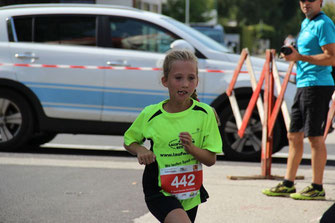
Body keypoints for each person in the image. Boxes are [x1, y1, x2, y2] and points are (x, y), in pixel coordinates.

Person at [123, 50, 222, 222]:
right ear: (165, 81)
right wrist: (140, 150)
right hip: (158, 188)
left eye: (191, 78)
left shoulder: (205, 114)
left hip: (189, 191)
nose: (185, 84)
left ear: (197, 81)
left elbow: (210, 160)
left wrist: (191, 148)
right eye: (178, 78)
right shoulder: (151, 114)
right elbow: (129, 141)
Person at [262, 0, 335, 200]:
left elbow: (332, 57)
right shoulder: (306, 23)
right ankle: (288, 183)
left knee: (314, 137)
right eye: (303, 0)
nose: (306, 4)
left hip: (318, 84)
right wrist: (293, 53)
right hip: (303, 84)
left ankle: (317, 186)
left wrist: (300, 57)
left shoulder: (323, 23)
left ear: (320, 1)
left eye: (311, 0)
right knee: (293, 135)